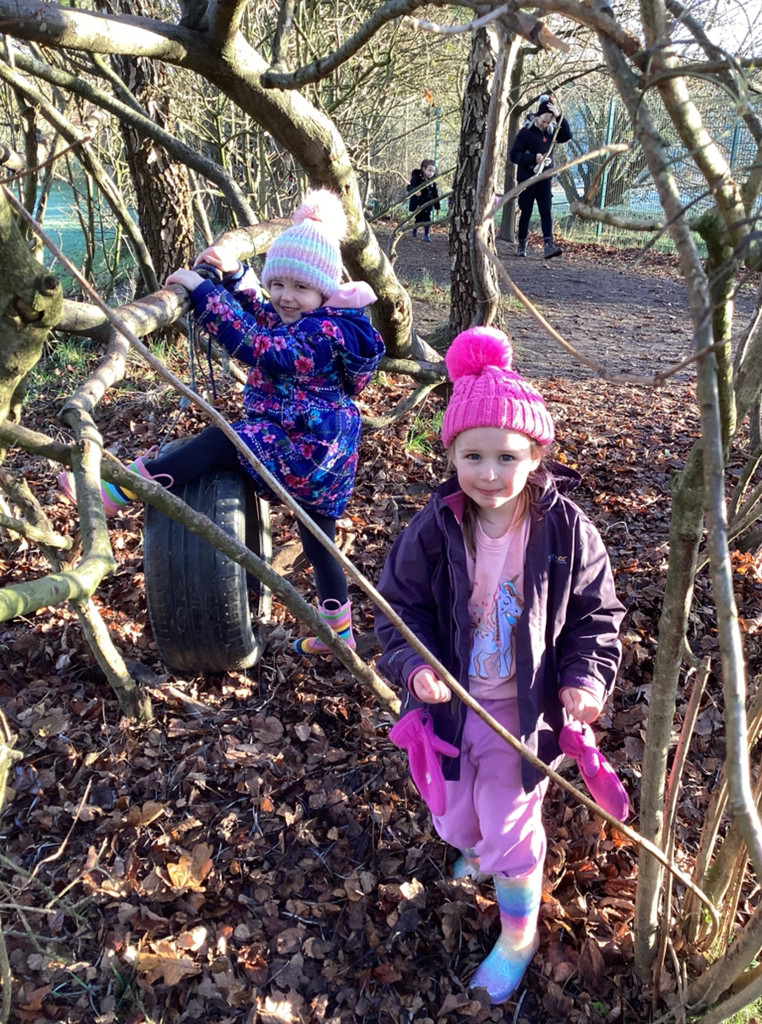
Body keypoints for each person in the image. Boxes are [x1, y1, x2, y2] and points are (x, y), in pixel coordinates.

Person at [374, 326, 624, 1005]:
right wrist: (413, 664)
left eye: (507, 456)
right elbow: (399, 607)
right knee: (457, 819)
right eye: (473, 455)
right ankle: (477, 845)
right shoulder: (435, 526)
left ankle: (518, 932)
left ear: (536, 454)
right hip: (452, 703)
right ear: (451, 453)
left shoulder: (566, 531)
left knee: (509, 829)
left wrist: (584, 680)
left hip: (526, 711)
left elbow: (597, 616)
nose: (489, 473)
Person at [59, 189, 385, 656]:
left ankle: (121, 489)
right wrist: (236, 276)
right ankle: (341, 634)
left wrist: (203, 291)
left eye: (300, 289)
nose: (286, 298)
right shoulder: (313, 316)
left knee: (223, 439)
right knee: (320, 541)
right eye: (279, 285)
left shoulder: (322, 336)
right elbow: (266, 314)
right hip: (319, 450)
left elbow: (259, 346)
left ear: (324, 290)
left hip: (305, 446)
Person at [510, 94, 572, 259]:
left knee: (546, 210)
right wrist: (533, 158)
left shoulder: (552, 132)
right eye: (543, 121)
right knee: (526, 211)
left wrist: (559, 116)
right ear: (537, 118)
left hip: (545, 178)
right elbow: (514, 155)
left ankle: (548, 245)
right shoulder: (525, 133)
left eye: (548, 122)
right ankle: (522, 244)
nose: (545, 125)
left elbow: (567, 135)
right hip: (528, 178)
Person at [408, 159, 440, 241]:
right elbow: (409, 187)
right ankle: (415, 229)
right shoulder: (417, 177)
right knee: (418, 218)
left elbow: (435, 193)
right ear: (423, 169)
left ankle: (427, 234)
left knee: (427, 218)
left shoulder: (432, 181)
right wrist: (415, 191)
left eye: (433, 171)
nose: (431, 173)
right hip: (418, 202)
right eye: (429, 170)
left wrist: (437, 206)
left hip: (428, 202)